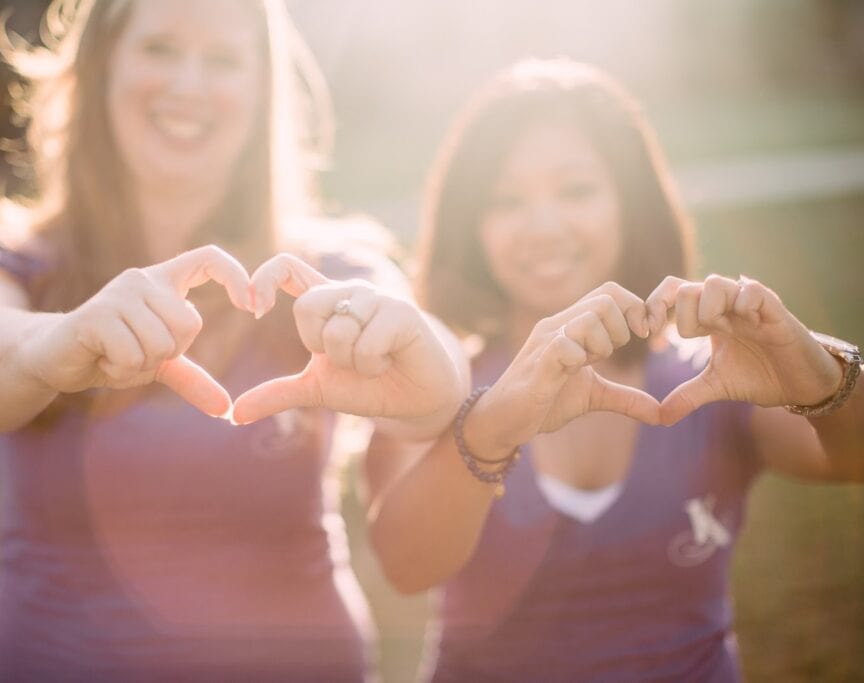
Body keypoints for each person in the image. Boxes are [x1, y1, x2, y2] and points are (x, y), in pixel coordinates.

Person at [0, 0, 465, 680]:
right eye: (162, 49)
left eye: (224, 59)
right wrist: (57, 342)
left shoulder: (328, 269)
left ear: (263, 92)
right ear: (101, 64)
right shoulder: (3, 262)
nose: (190, 85)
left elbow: (424, 347)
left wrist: (432, 368)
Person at [364, 58, 864, 681]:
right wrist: (488, 428)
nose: (543, 228)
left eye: (576, 190)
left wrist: (819, 373)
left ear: (631, 204)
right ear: (473, 227)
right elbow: (406, 568)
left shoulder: (713, 380)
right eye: (505, 200)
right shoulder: (434, 386)